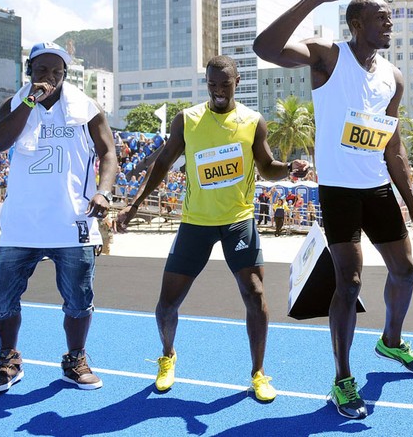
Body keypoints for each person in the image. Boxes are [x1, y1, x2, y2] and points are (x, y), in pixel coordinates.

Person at [254, 0, 413, 420]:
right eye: (380, 17)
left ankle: (390, 341)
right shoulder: (328, 57)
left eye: (390, 16)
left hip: (377, 188)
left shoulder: (393, 77)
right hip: (338, 191)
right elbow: (265, 48)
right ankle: (342, 378)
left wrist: (412, 204)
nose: (389, 22)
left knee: (406, 271)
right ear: (356, 23)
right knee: (349, 284)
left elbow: (393, 145)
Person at [116, 55, 308, 402]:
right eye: (212, 84)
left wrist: (289, 170)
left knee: (255, 295)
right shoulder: (187, 120)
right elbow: (162, 164)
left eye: (225, 84)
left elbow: (267, 167)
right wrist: (134, 205)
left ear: (237, 82)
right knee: (167, 303)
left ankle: (259, 373)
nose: (218, 91)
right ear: (207, 83)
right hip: (196, 223)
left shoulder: (252, 121)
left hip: (238, 221)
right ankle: (167, 355)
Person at [0, 42, 117, 395]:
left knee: (78, 300)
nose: (50, 78)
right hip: (22, 225)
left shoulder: (86, 109)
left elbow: (108, 152)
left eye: (57, 73)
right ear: (29, 72)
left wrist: (103, 191)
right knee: (0, 301)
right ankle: (8, 359)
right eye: (42, 71)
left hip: (72, 221)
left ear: (64, 75)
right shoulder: (14, 104)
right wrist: (29, 101)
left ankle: (75, 360)